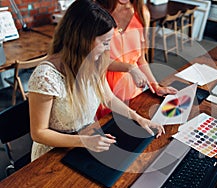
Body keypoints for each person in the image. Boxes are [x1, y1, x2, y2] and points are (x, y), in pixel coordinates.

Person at [28, 0, 164, 161]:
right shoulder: (45, 76)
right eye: (105, 43)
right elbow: (39, 133)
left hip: (86, 141)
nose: (108, 49)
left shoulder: (93, 63)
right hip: (52, 154)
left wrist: (139, 119)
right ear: (83, 40)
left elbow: (109, 98)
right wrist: (83, 141)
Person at [95, 0, 177, 117]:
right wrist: (129, 67)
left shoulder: (142, 13)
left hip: (131, 87)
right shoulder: (97, 10)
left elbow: (140, 58)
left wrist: (156, 86)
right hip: (103, 85)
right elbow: (93, 59)